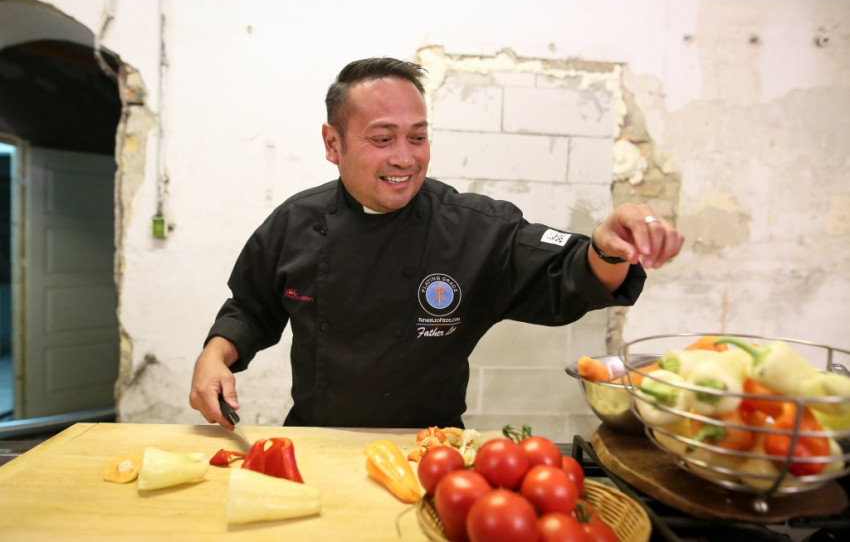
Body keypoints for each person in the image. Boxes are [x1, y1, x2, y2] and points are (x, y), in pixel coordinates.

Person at [189, 57, 684, 431]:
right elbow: (250, 307)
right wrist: (214, 355)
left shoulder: (473, 228)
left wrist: (608, 248)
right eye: (382, 139)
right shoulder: (296, 222)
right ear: (333, 144)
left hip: (431, 454)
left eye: (417, 137)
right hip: (316, 444)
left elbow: (571, 273)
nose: (405, 158)